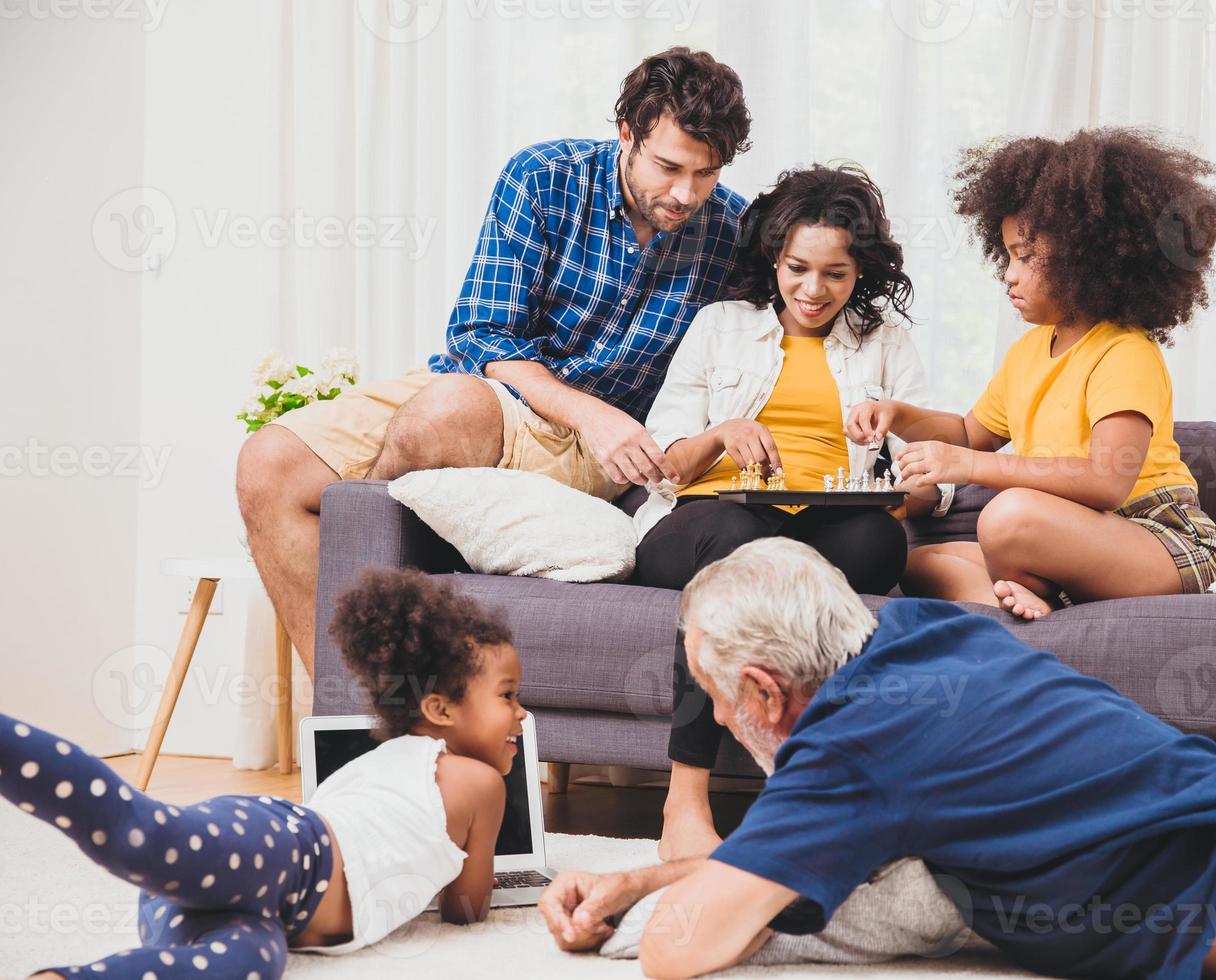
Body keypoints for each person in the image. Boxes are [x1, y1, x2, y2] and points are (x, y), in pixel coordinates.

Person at [540, 538, 1216, 979]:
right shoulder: (917, 634)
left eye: (713, 692)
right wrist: (638, 880)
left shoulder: (851, 752)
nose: (715, 711)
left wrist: (652, 909)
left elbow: (676, 953)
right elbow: (803, 860)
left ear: (766, 691)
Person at [236, 47, 752, 671]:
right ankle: (353, 712)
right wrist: (589, 413)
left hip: (592, 446)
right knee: (268, 463)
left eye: (706, 174)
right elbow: (483, 335)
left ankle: (391, 690)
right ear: (626, 133)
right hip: (510, 392)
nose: (685, 193)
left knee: (445, 413)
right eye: (669, 167)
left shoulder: (731, 230)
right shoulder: (544, 176)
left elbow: (792, 316)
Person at [631, 163, 953, 860]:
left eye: (834, 275)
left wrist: (900, 483)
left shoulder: (885, 341)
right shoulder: (721, 328)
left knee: (876, 543)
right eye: (797, 268)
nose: (813, 291)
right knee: (742, 544)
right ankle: (684, 800)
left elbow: (935, 485)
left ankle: (819, 797)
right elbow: (661, 464)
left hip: (821, 528)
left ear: (859, 270)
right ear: (773, 259)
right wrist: (721, 434)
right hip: (706, 521)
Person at [4, 568, 526, 977]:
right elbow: (466, 908)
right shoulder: (480, 784)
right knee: (138, 834)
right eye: (507, 695)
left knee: (247, 963)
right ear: (439, 709)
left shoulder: (381, 762)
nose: (522, 713)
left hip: (262, 897)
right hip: (286, 852)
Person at [849, 128, 1216, 619]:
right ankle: (1036, 602)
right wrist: (897, 413)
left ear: (1086, 260)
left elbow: (1107, 481)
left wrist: (966, 467)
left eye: (1026, 257)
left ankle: (1041, 598)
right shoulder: (1028, 351)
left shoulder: (1124, 351)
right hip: (1073, 535)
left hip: (1156, 538)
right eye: (1008, 254)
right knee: (922, 560)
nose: (1009, 273)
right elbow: (970, 434)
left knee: (1008, 516)